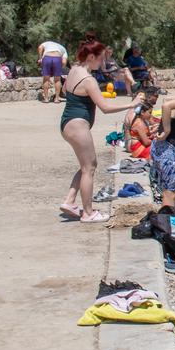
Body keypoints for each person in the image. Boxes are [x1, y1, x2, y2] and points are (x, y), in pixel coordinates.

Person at [57, 37, 138, 223]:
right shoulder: (88, 80)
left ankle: (70, 201)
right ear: (91, 57)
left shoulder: (74, 70)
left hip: (67, 123)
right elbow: (105, 108)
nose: (103, 63)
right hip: (77, 125)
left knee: (86, 166)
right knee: (90, 167)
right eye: (101, 59)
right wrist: (131, 104)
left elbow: (65, 91)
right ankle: (88, 213)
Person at [37, 39, 66, 103]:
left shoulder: (47, 43)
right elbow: (64, 62)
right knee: (57, 80)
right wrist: (59, 68)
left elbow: (40, 47)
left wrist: (40, 58)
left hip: (47, 57)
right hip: (57, 58)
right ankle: (57, 99)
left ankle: (46, 99)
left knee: (46, 79)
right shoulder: (63, 48)